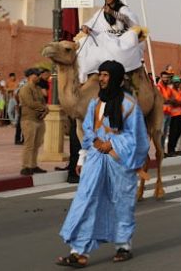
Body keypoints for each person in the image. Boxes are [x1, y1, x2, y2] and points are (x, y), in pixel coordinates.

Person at [57, 60, 150, 267]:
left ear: (115, 78)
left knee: (121, 203)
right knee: (87, 200)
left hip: (119, 160)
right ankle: (78, 251)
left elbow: (138, 137)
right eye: (100, 74)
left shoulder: (130, 105)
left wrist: (112, 144)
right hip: (96, 157)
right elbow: (88, 129)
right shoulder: (95, 103)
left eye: (106, 75)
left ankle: (123, 246)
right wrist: (84, 155)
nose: (101, 79)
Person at [76, 0, 144, 83]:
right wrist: (85, 27)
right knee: (84, 42)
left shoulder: (123, 9)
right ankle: (83, 77)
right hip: (105, 38)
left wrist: (112, 12)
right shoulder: (102, 11)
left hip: (121, 39)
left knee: (119, 45)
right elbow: (92, 22)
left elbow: (131, 22)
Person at [18, 68, 49, 176]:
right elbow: (30, 103)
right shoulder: (25, 88)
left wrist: (45, 110)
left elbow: (43, 101)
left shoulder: (38, 88)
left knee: (37, 144)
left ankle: (33, 165)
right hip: (29, 119)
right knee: (29, 144)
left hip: (39, 119)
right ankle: (26, 166)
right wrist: (44, 108)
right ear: (30, 76)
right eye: (36, 75)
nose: (39, 77)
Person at [164, 76, 181, 157]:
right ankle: (170, 150)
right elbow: (171, 101)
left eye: (178, 82)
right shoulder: (171, 90)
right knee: (173, 133)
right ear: (173, 82)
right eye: (176, 82)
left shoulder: (179, 91)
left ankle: (174, 148)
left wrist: (176, 102)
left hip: (179, 114)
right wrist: (176, 102)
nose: (177, 84)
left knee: (179, 132)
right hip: (172, 115)